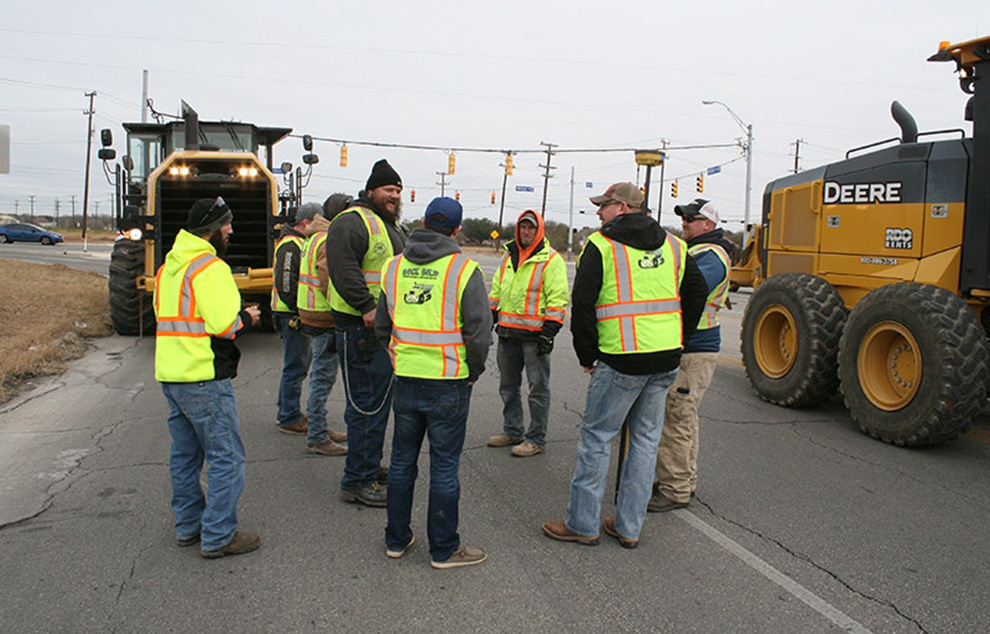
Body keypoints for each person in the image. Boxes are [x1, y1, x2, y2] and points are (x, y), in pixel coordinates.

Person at [541, 182, 707, 549]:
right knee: (645, 441)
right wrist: (680, 336)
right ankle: (629, 527)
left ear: (623, 207)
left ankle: (583, 524)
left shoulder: (601, 245)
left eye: (604, 205)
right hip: (665, 357)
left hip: (621, 359)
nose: (599, 212)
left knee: (597, 439)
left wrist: (587, 356)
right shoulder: (674, 245)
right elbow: (696, 291)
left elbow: (582, 305)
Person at [376, 196, 493, 569]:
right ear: (457, 230)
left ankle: (396, 540)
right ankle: (443, 549)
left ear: (424, 223)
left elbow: (382, 325)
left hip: (406, 377)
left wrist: (399, 356)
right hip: (448, 381)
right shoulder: (464, 270)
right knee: (443, 466)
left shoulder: (393, 267)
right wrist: (473, 371)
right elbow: (479, 332)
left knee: (401, 461)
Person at [154, 197, 262, 559]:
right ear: (212, 229)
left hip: (172, 375)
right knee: (225, 457)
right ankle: (218, 535)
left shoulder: (168, 267)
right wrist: (247, 317)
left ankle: (188, 526)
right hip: (203, 376)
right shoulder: (210, 267)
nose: (230, 230)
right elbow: (223, 325)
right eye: (226, 224)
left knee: (185, 456)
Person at [326, 160, 407, 507]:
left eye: (398, 191)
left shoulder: (388, 226)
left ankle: (368, 465)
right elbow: (343, 269)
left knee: (376, 404)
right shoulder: (352, 222)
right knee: (366, 406)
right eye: (389, 189)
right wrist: (367, 307)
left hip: (379, 331)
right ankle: (358, 480)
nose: (395, 195)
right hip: (361, 328)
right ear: (371, 190)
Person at [649, 198, 733, 512]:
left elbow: (684, 289)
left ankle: (674, 489)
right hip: (693, 347)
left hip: (695, 348)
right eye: (684, 218)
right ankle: (684, 480)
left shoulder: (711, 255)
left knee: (676, 420)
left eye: (691, 219)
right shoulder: (697, 251)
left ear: (708, 224)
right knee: (685, 418)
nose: (684, 223)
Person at [487, 209, 569, 457]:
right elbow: (497, 291)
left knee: (538, 390)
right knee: (508, 387)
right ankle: (513, 430)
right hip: (507, 333)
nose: (526, 231)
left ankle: (535, 438)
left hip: (534, 337)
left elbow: (557, 299)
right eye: (523, 226)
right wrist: (489, 318)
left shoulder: (551, 260)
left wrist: (549, 332)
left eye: (531, 227)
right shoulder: (508, 256)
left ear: (539, 230)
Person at [295, 202, 348, 456]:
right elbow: (327, 278)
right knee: (323, 377)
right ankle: (317, 435)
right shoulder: (326, 239)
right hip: (323, 315)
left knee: (320, 373)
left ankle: (320, 427)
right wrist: (341, 306)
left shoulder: (312, 237)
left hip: (310, 311)